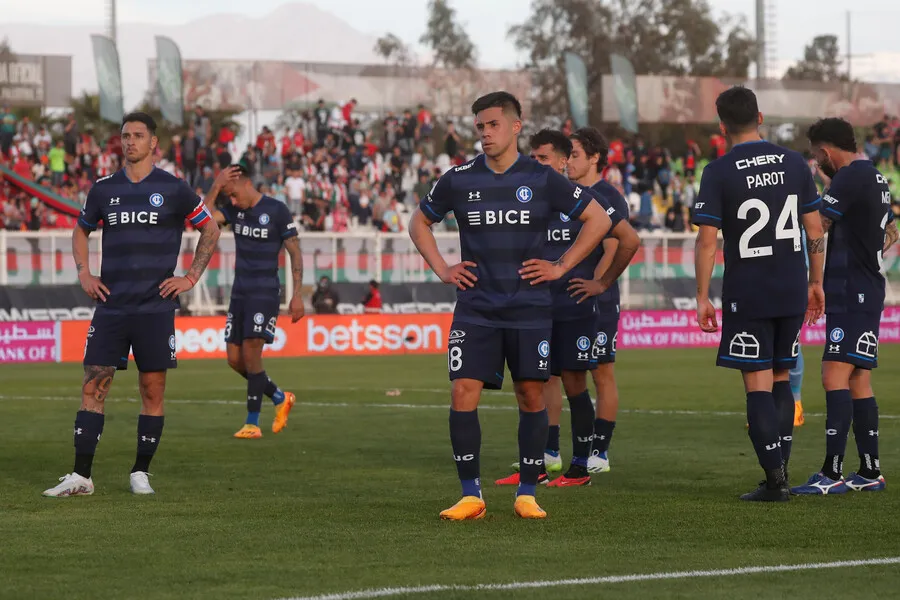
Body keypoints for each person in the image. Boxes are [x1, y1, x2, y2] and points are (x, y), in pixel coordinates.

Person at [408, 91, 616, 520]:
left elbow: (599, 220)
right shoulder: (460, 177)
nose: (485, 133)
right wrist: (444, 269)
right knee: (463, 390)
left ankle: (526, 492)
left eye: (493, 125)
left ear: (515, 126)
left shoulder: (542, 178)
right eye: (480, 127)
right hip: (476, 306)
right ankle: (471, 495)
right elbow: (419, 220)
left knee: (529, 394)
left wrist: (561, 266)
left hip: (529, 307)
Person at [43, 112, 221, 497]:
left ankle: (140, 471)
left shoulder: (174, 188)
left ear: (153, 143)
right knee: (94, 387)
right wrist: (84, 273)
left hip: (155, 308)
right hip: (112, 306)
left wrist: (190, 278)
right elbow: (80, 230)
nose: (130, 142)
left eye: (138, 136)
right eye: (125, 136)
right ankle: (81, 476)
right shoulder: (103, 188)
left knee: (152, 390)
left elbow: (210, 227)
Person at [692, 87, 825, 502]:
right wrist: (816, 283)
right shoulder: (794, 163)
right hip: (790, 286)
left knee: (757, 385)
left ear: (722, 126)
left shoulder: (718, 171)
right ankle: (780, 472)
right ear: (760, 117)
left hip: (748, 291)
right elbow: (816, 231)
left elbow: (707, 241)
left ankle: (775, 481)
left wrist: (701, 296)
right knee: (783, 377)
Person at [496, 128, 639, 488]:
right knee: (535, 382)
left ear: (562, 160)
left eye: (544, 158)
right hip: (537, 307)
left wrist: (601, 284)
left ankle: (583, 465)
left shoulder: (589, 200)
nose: (536, 164)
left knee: (579, 382)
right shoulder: (530, 197)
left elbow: (627, 240)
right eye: (534, 157)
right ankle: (540, 463)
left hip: (576, 306)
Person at [791, 118, 899, 495]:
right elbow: (890, 232)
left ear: (825, 151)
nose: (817, 162)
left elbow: (818, 226)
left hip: (851, 290)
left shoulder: (850, 178)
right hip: (867, 287)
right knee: (858, 378)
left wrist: (814, 280)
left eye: (817, 156)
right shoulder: (876, 178)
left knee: (833, 375)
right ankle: (870, 471)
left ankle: (831, 472)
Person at [202, 165, 304, 439]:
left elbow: (295, 251)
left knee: (250, 353)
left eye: (233, 194)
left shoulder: (277, 210)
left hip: (264, 292)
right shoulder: (235, 211)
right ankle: (281, 397)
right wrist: (215, 186)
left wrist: (297, 294)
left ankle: (252, 422)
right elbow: (202, 219)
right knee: (234, 360)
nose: (232, 201)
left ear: (245, 183)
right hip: (239, 293)